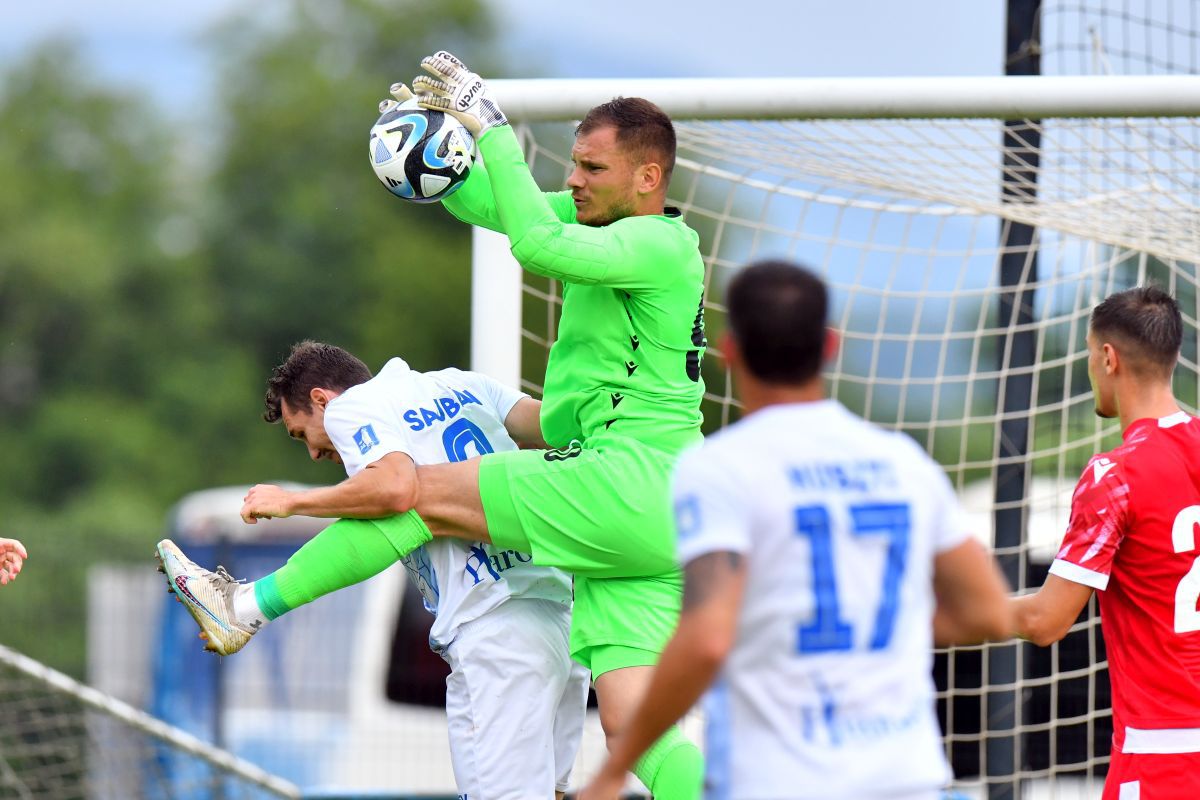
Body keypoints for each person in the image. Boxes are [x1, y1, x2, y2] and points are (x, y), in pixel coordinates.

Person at [295, 52, 702, 798]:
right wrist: (437, 150)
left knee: (409, 490)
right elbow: (495, 207)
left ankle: (249, 603)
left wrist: (493, 127)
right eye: (573, 165)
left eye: (591, 168)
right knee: (634, 729)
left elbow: (533, 245)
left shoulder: (658, 243)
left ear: (649, 178)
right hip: (656, 504)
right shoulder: (605, 224)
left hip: (624, 478)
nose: (574, 181)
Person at [579, 260, 1014, 800]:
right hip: (905, 778)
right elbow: (990, 611)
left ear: (729, 350)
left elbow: (708, 637)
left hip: (778, 778)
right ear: (830, 345)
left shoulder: (720, 467)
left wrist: (613, 767)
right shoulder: (904, 463)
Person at [158, 341, 588, 800]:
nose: (314, 455)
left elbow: (394, 489)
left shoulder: (355, 406)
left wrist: (292, 501)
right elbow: (553, 427)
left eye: (301, 434)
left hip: (495, 627)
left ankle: (242, 609)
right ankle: (244, 608)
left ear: (322, 399)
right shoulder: (461, 384)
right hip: (563, 617)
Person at [1008, 286, 1200, 800]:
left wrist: (945, 613)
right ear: (1175, 356)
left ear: (1107, 358)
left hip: (1162, 756)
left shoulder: (1115, 475)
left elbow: (1046, 622)